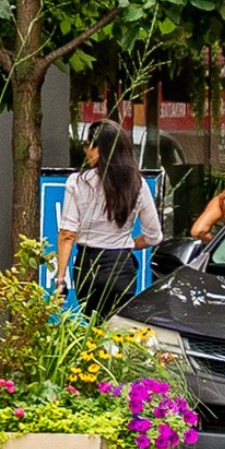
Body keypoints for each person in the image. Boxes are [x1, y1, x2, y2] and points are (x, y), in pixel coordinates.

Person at [57, 126, 154, 312]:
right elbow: (154, 236)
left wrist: (60, 279)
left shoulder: (77, 182)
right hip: (121, 265)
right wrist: (127, 243)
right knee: (119, 329)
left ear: (99, 148)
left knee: (93, 329)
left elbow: (67, 234)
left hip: (89, 265)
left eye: (88, 145)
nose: (86, 151)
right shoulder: (137, 184)